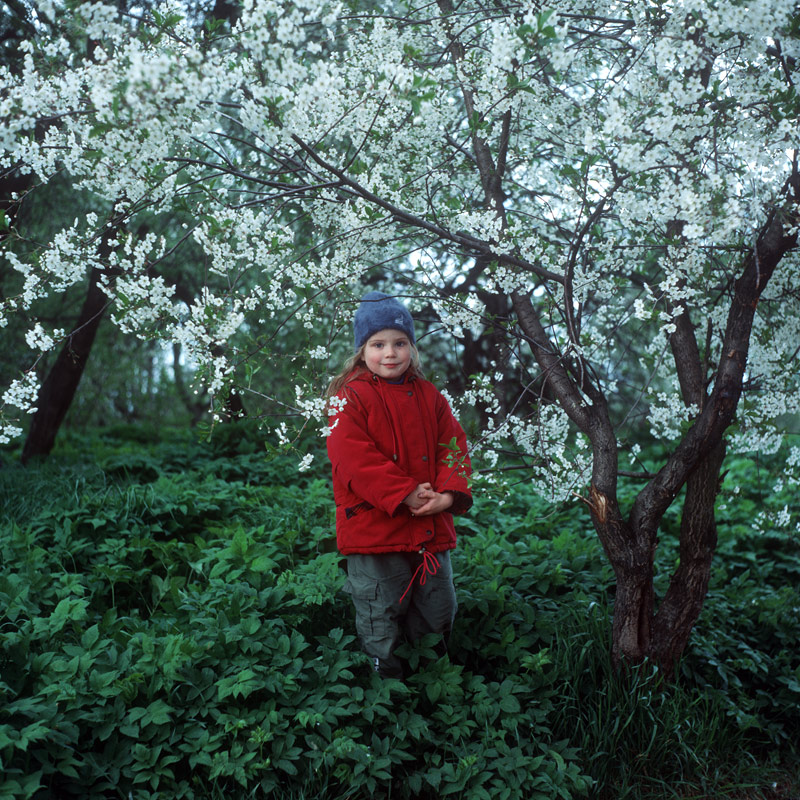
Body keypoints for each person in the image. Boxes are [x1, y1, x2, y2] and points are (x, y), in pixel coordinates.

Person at [325, 291, 472, 679]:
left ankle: (433, 684)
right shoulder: (348, 397)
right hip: (375, 530)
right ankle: (386, 694)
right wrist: (403, 492)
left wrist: (447, 495)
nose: (389, 353)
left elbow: (453, 445)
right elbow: (352, 458)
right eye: (378, 344)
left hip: (429, 527)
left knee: (437, 610)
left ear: (412, 347)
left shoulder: (429, 395)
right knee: (380, 615)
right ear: (361, 350)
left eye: (400, 343)